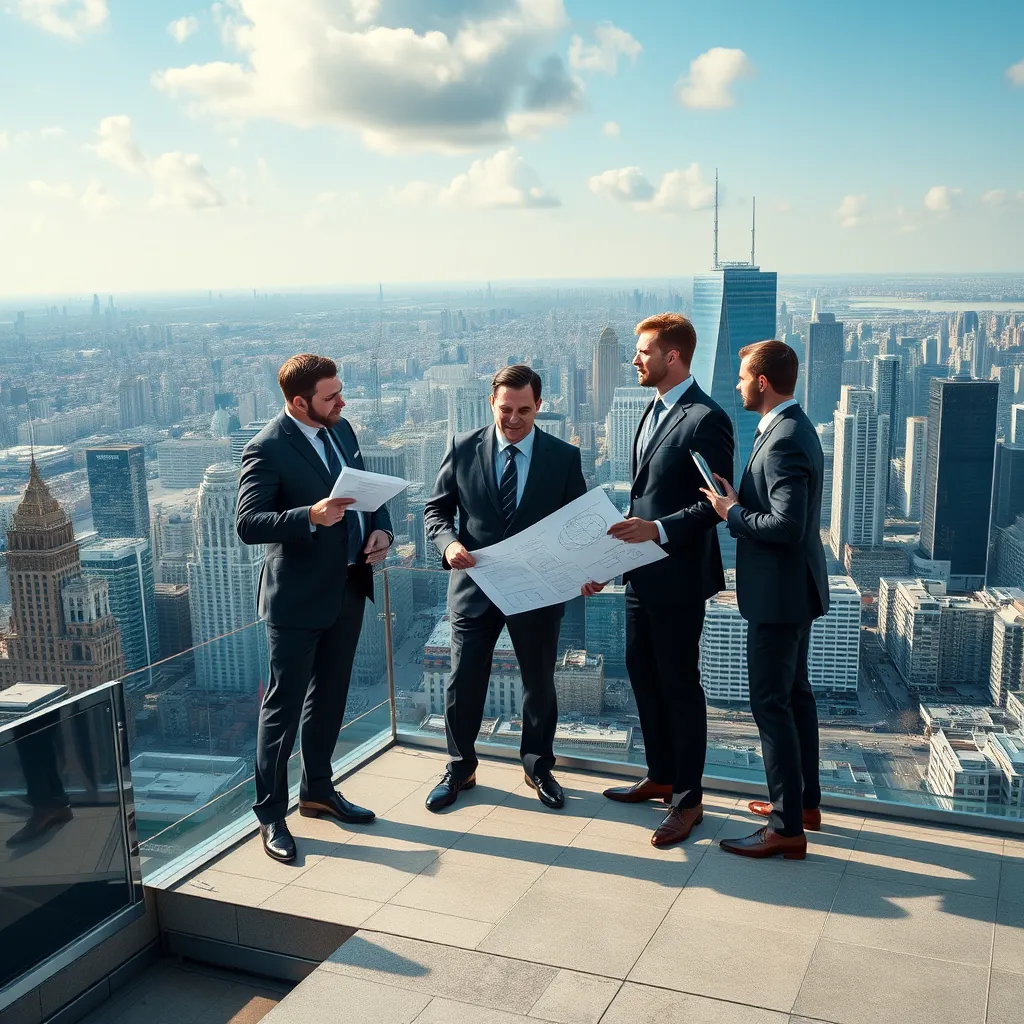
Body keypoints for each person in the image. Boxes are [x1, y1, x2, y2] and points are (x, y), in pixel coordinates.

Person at [236, 354, 394, 863]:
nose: (342, 402)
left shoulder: (341, 430)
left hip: (348, 585)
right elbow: (249, 523)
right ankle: (271, 817)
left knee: (330, 698)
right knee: (280, 713)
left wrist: (382, 529)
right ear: (299, 401)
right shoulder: (266, 448)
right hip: (298, 600)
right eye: (331, 396)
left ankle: (319, 791)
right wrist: (311, 515)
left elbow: (367, 490)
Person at [423, 364, 593, 811]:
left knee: (539, 683)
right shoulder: (462, 448)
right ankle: (460, 769)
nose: (514, 419)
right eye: (505, 409)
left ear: (539, 406)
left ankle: (538, 768)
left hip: (537, 589)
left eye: (524, 410)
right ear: (491, 404)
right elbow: (436, 512)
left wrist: (588, 570)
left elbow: (578, 525)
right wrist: (450, 544)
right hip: (475, 585)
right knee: (463, 682)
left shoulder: (562, 456)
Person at [602, 313, 734, 847]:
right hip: (641, 573)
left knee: (679, 685)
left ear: (672, 357)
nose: (635, 359)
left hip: (677, 577)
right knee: (642, 673)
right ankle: (660, 775)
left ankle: (688, 800)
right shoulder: (654, 410)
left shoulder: (706, 418)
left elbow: (716, 506)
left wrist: (656, 529)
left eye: (643, 352)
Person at [701, 340, 829, 861]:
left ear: (762, 383)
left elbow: (786, 525)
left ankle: (785, 828)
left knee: (771, 705)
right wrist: (739, 497)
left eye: (740, 377)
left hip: (779, 597)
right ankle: (804, 806)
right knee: (796, 697)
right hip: (793, 590)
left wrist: (730, 512)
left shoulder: (783, 439)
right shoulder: (791, 426)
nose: (735, 385)